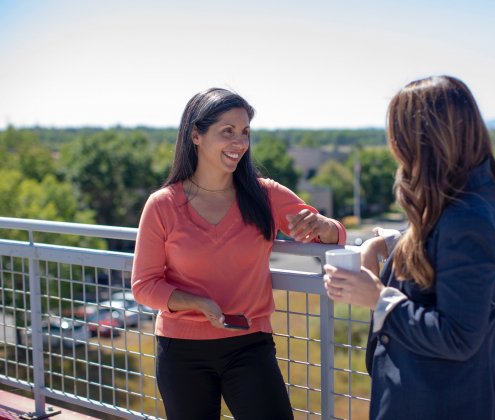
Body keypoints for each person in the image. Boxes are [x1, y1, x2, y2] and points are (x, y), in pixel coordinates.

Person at [131, 87, 346, 420]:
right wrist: (198, 304)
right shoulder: (162, 205)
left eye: (245, 132)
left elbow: (333, 236)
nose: (239, 142)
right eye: (227, 132)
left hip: (250, 345)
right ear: (196, 136)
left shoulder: (265, 195)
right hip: (181, 351)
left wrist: (322, 225)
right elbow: (144, 285)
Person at [323, 75, 495, 420]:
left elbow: (458, 337)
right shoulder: (476, 192)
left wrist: (378, 298)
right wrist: (392, 242)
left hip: (442, 402)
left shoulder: (469, 217)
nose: (395, 148)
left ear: (425, 140)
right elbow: (442, 236)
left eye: (399, 136)